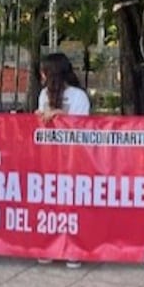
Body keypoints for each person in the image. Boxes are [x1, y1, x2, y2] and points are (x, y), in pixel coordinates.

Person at [36, 53, 90, 268]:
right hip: (49, 156)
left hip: (73, 158)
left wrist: (61, 116)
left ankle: (73, 249)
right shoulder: (43, 94)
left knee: (71, 204)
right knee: (50, 203)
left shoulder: (78, 96)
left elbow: (84, 126)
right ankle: (50, 245)